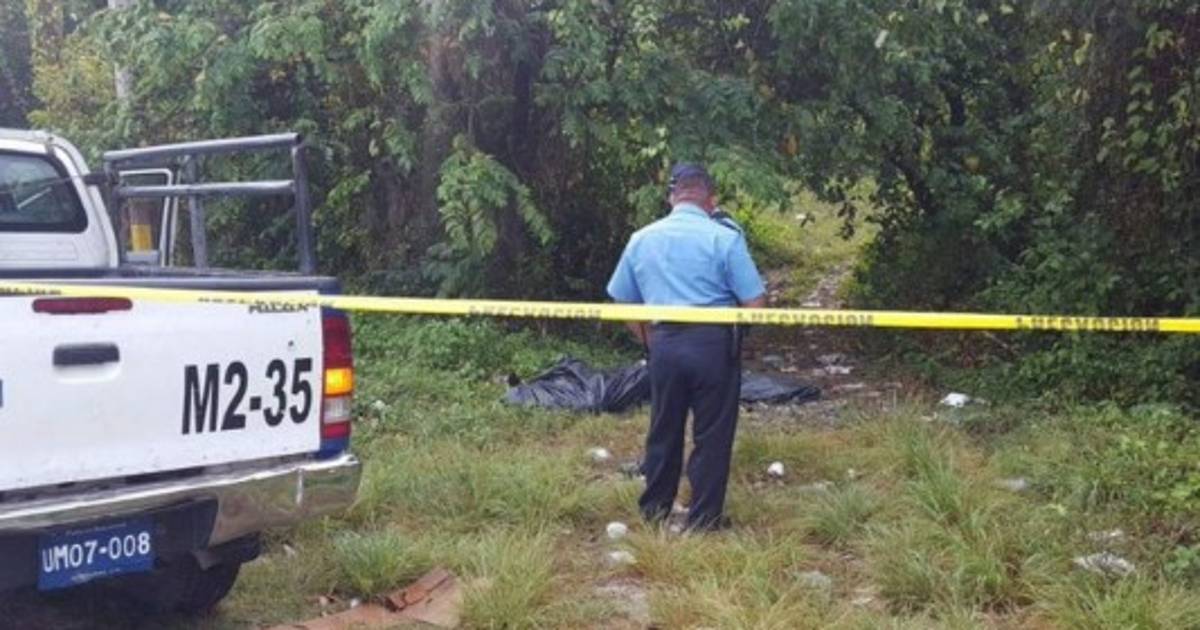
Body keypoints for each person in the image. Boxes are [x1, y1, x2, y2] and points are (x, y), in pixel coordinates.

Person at [606, 163, 766, 532]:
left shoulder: (641, 239)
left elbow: (622, 300)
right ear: (711, 200)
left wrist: (649, 339)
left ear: (672, 198)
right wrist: (737, 336)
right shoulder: (725, 238)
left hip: (664, 343)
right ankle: (704, 520)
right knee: (712, 435)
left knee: (663, 428)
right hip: (713, 345)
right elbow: (755, 302)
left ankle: (654, 511)